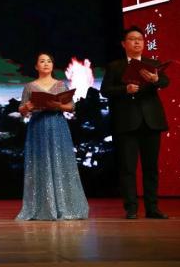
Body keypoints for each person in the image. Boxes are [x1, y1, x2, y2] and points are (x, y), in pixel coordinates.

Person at [101, 26, 169, 219]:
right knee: (128, 168)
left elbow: (165, 82)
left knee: (151, 168)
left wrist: (155, 79)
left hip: (151, 121)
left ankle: (152, 208)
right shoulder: (115, 66)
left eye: (140, 39)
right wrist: (125, 89)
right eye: (132, 39)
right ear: (124, 44)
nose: (137, 42)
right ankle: (131, 208)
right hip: (126, 122)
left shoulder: (152, 63)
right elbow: (105, 90)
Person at [16, 52, 88, 221]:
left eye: (49, 61)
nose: (46, 64)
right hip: (38, 127)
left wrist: (58, 105)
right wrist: (27, 107)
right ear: (36, 66)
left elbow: (71, 107)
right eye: (42, 61)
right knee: (40, 164)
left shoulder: (60, 85)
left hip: (57, 125)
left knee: (60, 162)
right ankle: (42, 206)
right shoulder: (30, 86)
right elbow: (22, 109)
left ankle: (63, 205)